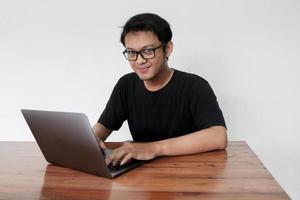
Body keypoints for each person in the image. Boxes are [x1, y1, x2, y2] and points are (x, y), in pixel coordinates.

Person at [92, 13, 227, 166]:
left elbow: (218, 136)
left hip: (190, 172)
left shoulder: (195, 86)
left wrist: (153, 148)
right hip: (141, 175)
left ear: (168, 49)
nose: (140, 60)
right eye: (131, 52)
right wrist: (91, 138)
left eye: (148, 51)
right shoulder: (126, 85)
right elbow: (104, 126)